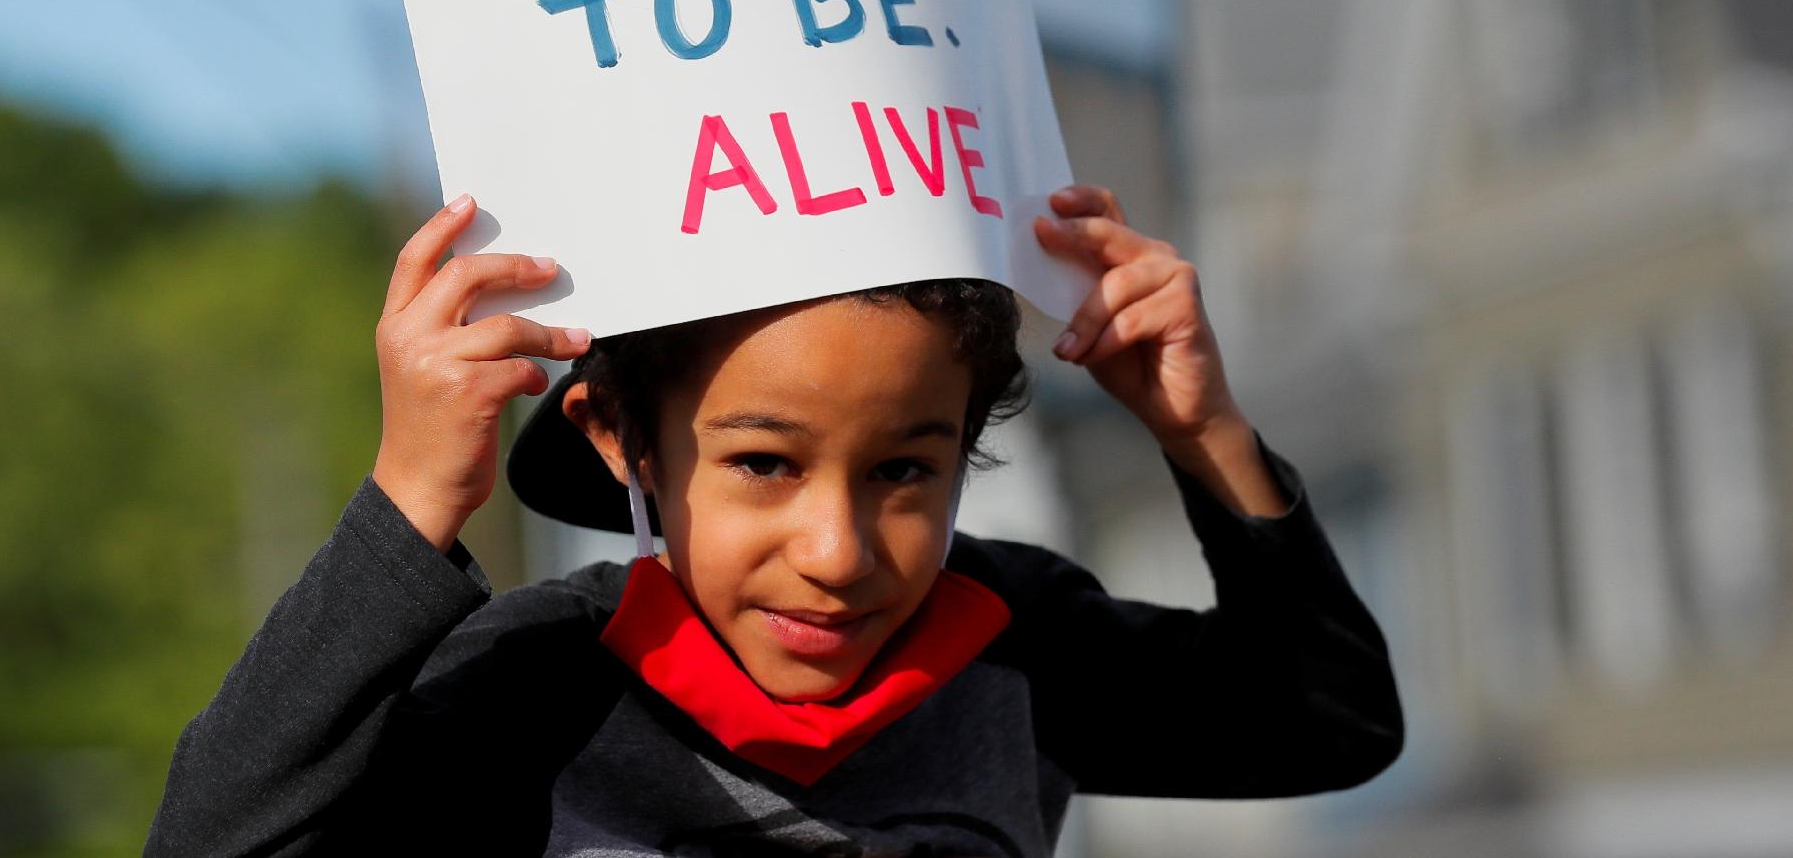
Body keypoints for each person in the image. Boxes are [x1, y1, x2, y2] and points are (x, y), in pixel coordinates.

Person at [145, 184, 1403, 855]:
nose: (839, 552)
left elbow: (1328, 724)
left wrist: (1205, 433)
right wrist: (411, 498)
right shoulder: (531, 689)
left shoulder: (1014, 645)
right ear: (616, 435)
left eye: (908, 471)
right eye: (761, 463)